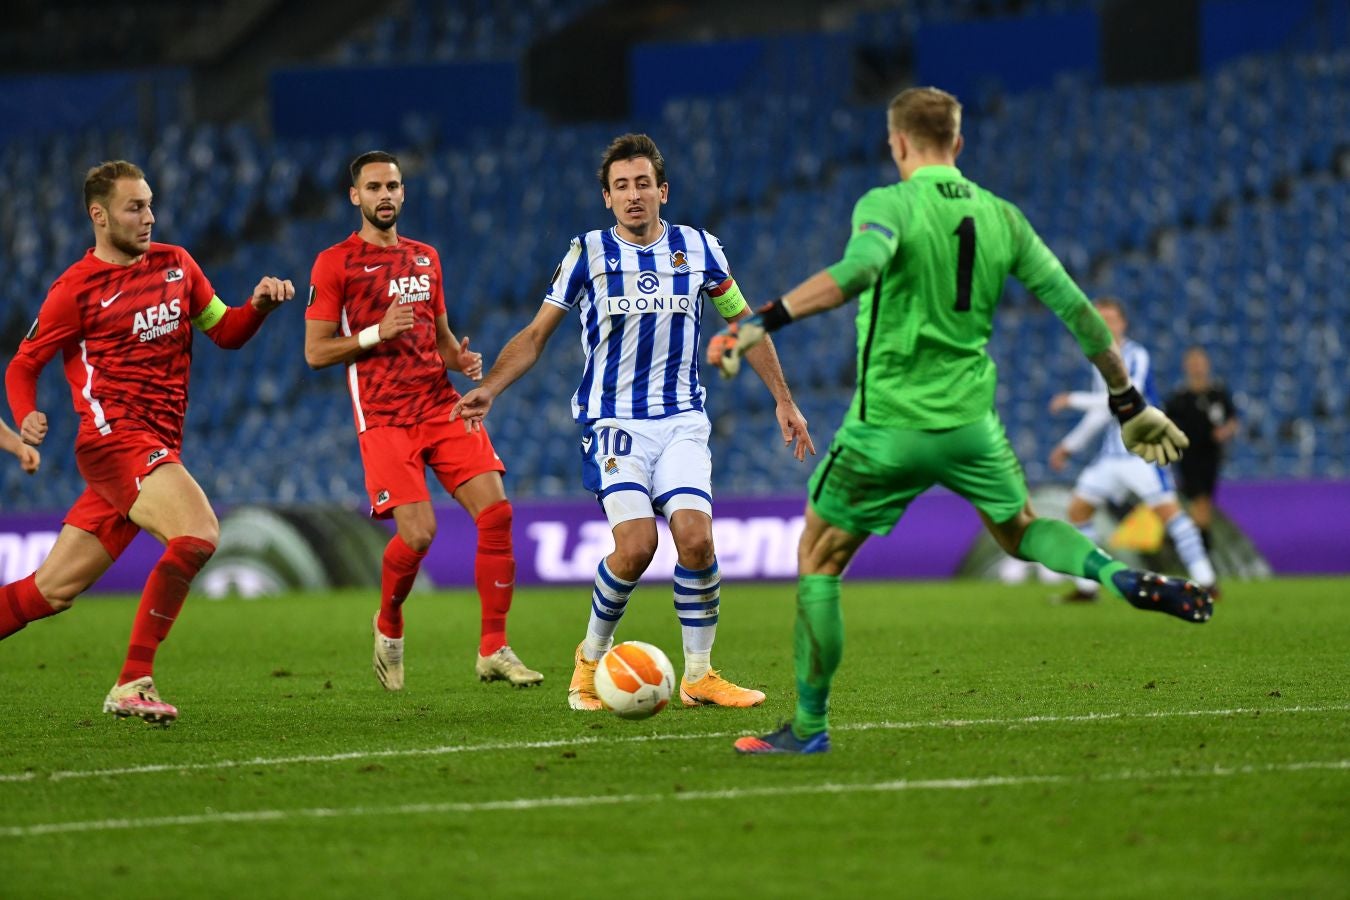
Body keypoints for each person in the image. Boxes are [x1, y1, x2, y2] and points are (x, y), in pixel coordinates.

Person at [714, 87, 1211, 755]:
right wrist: (1128, 402)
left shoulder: (888, 203)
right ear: (959, 143)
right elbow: (1078, 311)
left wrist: (759, 320)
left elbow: (858, 270)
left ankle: (807, 726)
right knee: (1023, 532)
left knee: (820, 559)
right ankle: (1114, 574)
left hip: (887, 426)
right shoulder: (1002, 216)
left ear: (896, 144)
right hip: (972, 426)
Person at [451, 133, 814, 711]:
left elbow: (744, 324)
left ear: (662, 190)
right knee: (639, 544)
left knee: (695, 540)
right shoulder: (587, 253)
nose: (634, 194)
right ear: (607, 198)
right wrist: (491, 386)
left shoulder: (700, 249)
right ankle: (589, 661)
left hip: (682, 420)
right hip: (613, 423)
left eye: (643, 183)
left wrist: (783, 400)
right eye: (622, 186)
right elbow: (538, 334)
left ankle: (699, 675)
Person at [0, 160, 294, 724]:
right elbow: (22, 365)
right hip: (115, 443)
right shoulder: (74, 290)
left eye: (150, 204)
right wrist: (26, 414)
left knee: (50, 592)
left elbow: (225, 332)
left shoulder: (178, 266)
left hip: (154, 446)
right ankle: (134, 681)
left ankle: (129, 680)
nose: (149, 217)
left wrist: (256, 307)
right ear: (99, 215)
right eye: (135, 207)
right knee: (200, 532)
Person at [305, 150, 542, 692]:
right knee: (419, 534)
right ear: (355, 197)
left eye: (392, 186)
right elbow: (316, 353)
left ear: (403, 193)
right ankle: (388, 624)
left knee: (498, 514)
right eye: (373, 188)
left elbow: (438, 333)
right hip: (384, 417)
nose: (384, 195)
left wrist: (459, 359)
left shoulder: (425, 257)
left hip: (439, 404)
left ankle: (493, 648)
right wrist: (375, 334)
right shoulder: (334, 263)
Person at [1049, 299, 1217, 600]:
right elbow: (1102, 412)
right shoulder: (1099, 359)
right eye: (1100, 320)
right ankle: (1088, 588)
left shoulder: (1136, 355)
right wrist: (1069, 446)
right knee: (1078, 510)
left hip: (1141, 451)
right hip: (1111, 455)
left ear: (1123, 323)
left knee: (1170, 514)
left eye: (1112, 319)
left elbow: (1126, 397)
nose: (1106, 325)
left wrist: (1072, 399)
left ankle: (1207, 580)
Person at [1164, 346, 1238, 545]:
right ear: (1186, 367)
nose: (1197, 368)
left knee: (1204, 500)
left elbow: (1232, 420)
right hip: (1189, 456)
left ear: (1207, 365)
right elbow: (1166, 425)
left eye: (1200, 363)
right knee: (1199, 500)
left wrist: (1225, 431)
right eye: (1193, 363)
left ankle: (1193, 542)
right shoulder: (1179, 398)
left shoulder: (1218, 393)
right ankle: (1202, 546)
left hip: (1211, 455)